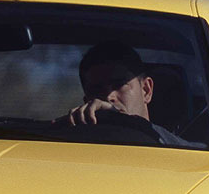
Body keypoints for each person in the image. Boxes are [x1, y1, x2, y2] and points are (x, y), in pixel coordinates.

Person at [58, 41, 192, 146]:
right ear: (87, 101)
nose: (108, 97)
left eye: (119, 85)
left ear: (146, 90)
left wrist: (130, 124)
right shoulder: (71, 146)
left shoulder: (181, 152)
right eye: (96, 90)